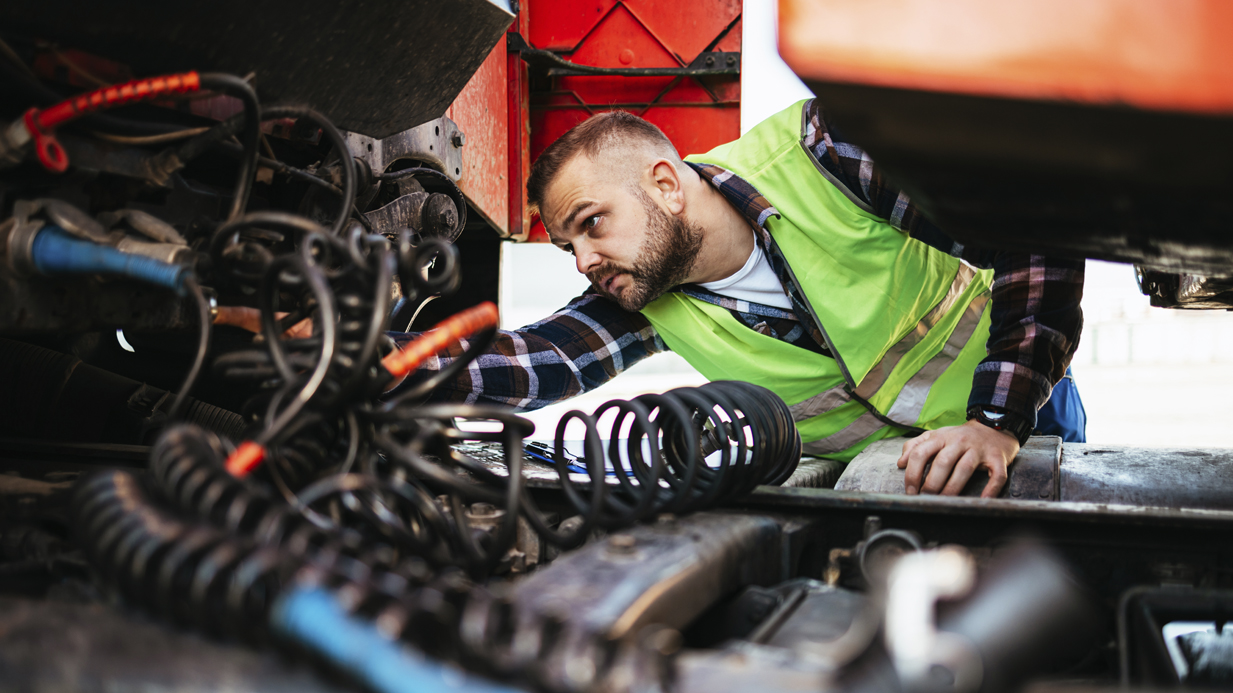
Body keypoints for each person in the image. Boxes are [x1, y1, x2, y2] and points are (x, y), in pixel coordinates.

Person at [392, 98, 1086, 498]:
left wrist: (996, 421)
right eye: (567, 246)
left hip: (1025, 417)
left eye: (591, 223)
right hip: (899, 485)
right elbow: (528, 362)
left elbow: (1028, 228)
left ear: (666, 185)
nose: (583, 261)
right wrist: (368, 362)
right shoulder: (643, 294)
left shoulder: (820, 153)